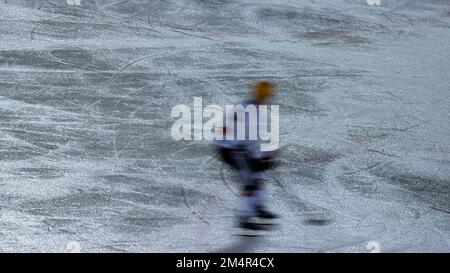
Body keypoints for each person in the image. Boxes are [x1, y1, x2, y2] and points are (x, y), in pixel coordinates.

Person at [214, 80, 279, 233]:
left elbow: (251, 138)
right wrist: (259, 157)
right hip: (233, 151)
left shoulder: (250, 108)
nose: (268, 100)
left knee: (259, 179)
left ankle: (257, 208)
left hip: (238, 150)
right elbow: (243, 138)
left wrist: (262, 156)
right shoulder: (249, 111)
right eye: (267, 97)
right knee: (250, 184)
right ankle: (244, 218)